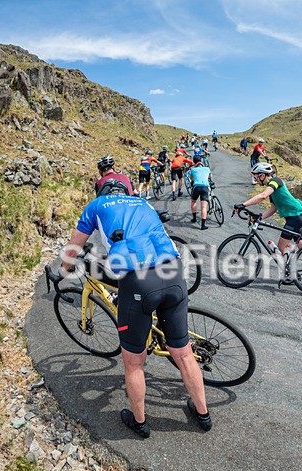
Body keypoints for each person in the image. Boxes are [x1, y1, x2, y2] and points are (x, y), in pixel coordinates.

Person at [60, 156, 211, 437]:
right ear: (125, 190)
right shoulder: (143, 202)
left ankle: (140, 423)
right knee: (184, 354)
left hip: (139, 282)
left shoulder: (96, 206)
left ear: (102, 191)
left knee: (134, 362)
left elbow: (74, 247)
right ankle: (203, 414)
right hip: (174, 273)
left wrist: (65, 269)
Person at [234, 162, 302, 281]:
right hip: (294, 217)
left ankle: (290, 273)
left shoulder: (275, 181)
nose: (255, 179)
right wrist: (260, 217)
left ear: (262, 175)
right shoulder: (273, 189)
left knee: (281, 247)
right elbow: (273, 208)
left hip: (294, 218)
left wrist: (243, 204)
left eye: (256, 176)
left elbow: (262, 196)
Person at [189, 155, 213, 229]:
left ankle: (194, 218)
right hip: (205, 187)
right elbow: (210, 176)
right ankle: (203, 225)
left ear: (194, 162)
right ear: (201, 161)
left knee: (193, 201)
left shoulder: (193, 170)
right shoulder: (207, 168)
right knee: (204, 207)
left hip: (196, 187)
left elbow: (191, 178)